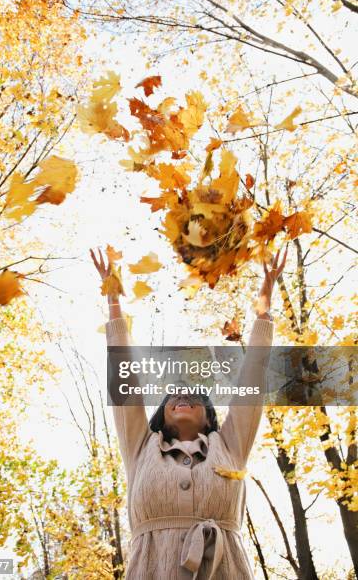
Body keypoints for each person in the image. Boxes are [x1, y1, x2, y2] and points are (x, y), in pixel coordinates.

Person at [91, 246, 287, 580]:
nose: (182, 395)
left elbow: (253, 377)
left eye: (193, 394)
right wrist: (113, 301)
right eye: (173, 394)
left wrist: (265, 305)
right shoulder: (141, 448)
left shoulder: (230, 447)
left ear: (210, 417)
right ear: (162, 414)